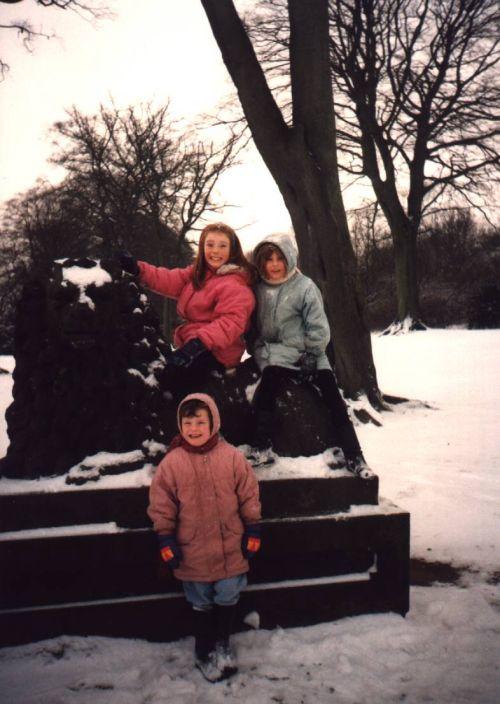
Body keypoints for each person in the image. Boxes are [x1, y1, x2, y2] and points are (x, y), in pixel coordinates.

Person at [148, 392, 261, 682]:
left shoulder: (232, 457)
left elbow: (248, 494)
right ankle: (203, 647)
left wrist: (252, 528)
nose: (194, 429)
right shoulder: (173, 463)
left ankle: (222, 643)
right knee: (200, 597)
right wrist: (165, 538)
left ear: (213, 423)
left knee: (227, 592)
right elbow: (162, 504)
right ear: (180, 425)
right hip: (192, 550)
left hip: (230, 547)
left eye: (200, 422)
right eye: (188, 422)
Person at [247, 233, 372, 478]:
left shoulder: (305, 287)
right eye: (268, 259)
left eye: (279, 258)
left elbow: (319, 328)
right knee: (266, 388)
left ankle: (355, 457)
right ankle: (261, 447)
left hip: (308, 354)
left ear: (289, 258)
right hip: (278, 356)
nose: (274, 264)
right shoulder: (258, 290)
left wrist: (312, 355)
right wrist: (262, 356)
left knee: (333, 400)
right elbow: (255, 333)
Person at [119, 222, 256, 397]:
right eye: (210, 244)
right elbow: (167, 279)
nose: (215, 251)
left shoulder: (235, 283)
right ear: (202, 247)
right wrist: (138, 269)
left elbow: (231, 322)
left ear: (232, 250)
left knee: (175, 383)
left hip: (217, 352)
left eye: (223, 246)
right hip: (191, 344)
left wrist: (199, 343)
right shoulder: (197, 274)